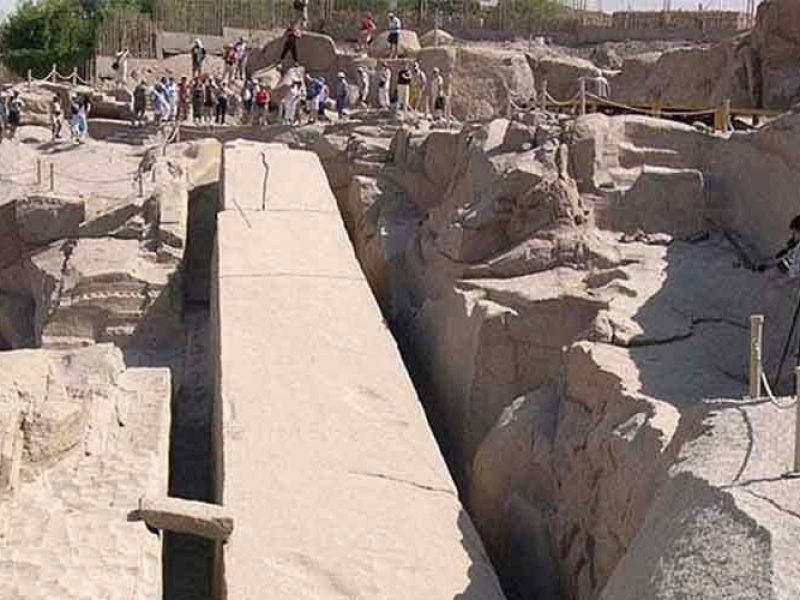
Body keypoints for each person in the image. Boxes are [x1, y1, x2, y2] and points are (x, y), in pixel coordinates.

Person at [759, 215, 800, 280]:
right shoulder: (794, 244)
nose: (793, 235)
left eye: (795, 232)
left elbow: (792, 269)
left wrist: (770, 269)